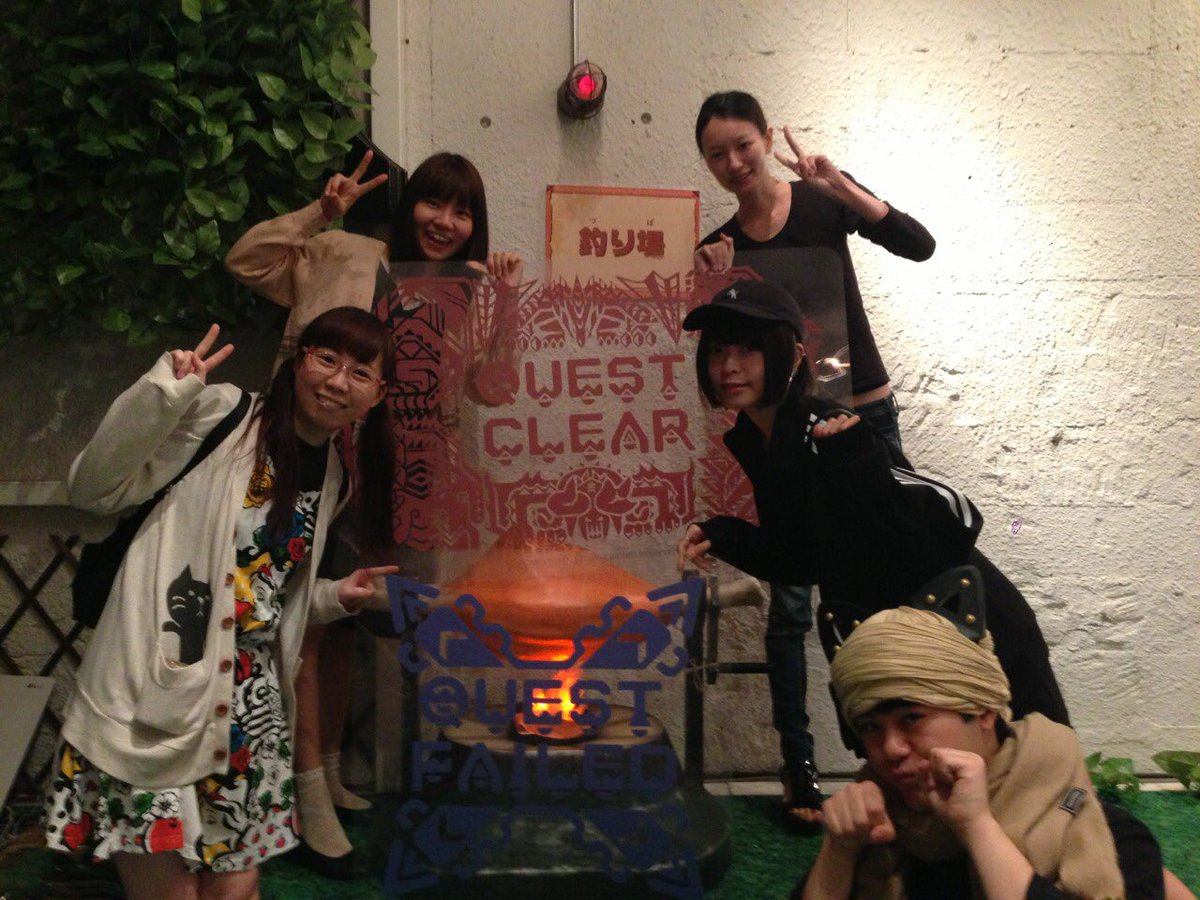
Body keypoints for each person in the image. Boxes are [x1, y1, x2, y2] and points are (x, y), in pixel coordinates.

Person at [225, 150, 523, 874]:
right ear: (408, 204)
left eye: (462, 211)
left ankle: (342, 771)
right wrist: (320, 212)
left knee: (372, 620)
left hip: (414, 477)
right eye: (433, 202)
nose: (444, 222)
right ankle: (309, 788)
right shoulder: (342, 251)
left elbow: (493, 388)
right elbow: (246, 260)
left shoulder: (470, 288)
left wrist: (508, 304)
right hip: (317, 459)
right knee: (308, 623)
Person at [676, 279, 1069, 819]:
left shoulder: (828, 428)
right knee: (935, 813)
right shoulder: (758, 435)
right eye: (718, 349)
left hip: (971, 622)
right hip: (900, 642)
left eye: (748, 349)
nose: (728, 366)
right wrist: (723, 533)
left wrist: (860, 466)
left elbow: (951, 520)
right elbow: (806, 557)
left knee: (1043, 790)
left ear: (793, 357)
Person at [43, 308, 398, 899]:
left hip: (250, 707)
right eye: (327, 359)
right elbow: (92, 488)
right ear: (299, 360)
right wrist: (164, 392)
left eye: (360, 372)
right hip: (158, 696)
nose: (338, 381)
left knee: (236, 888)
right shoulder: (225, 413)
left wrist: (334, 597)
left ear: (377, 394)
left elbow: (267, 595)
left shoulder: (336, 471)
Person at [693, 90, 936, 823]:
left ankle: (893, 760)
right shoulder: (722, 244)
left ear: (767, 138)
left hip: (863, 416)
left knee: (891, 587)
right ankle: (798, 767)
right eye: (716, 155)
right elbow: (723, 349)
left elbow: (919, 244)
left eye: (743, 145)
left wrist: (844, 188)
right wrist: (711, 279)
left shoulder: (824, 203)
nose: (734, 163)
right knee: (793, 600)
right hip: (789, 431)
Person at [799, 603, 1182, 899]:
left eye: (912, 718)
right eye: (870, 727)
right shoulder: (875, 828)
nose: (890, 749)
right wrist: (840, 849)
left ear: (983, 712)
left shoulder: (1102, 834)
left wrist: (978, 828)